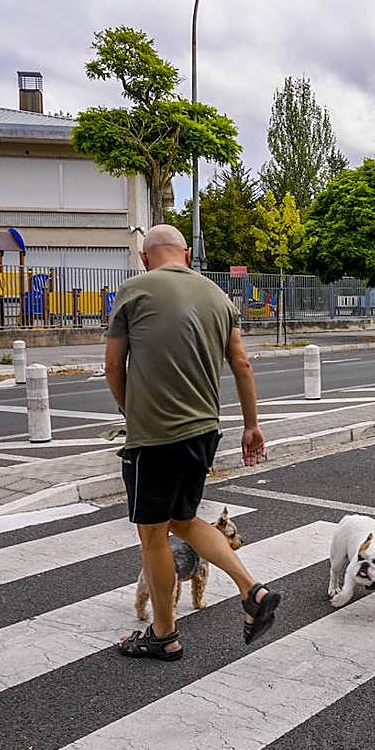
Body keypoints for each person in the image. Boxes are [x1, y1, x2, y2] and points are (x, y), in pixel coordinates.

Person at [105, 224, 279, 661]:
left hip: (155, 437)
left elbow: (113, 366)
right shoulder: (219, 297)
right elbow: (241, 364)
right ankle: (250, 589)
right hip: (204, 432)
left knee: (152, 535)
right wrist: (251, 425)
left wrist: (132, 413)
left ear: (146, 258)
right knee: (183, 520)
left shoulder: (133, 291)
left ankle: (164, 634)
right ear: (186, 254)